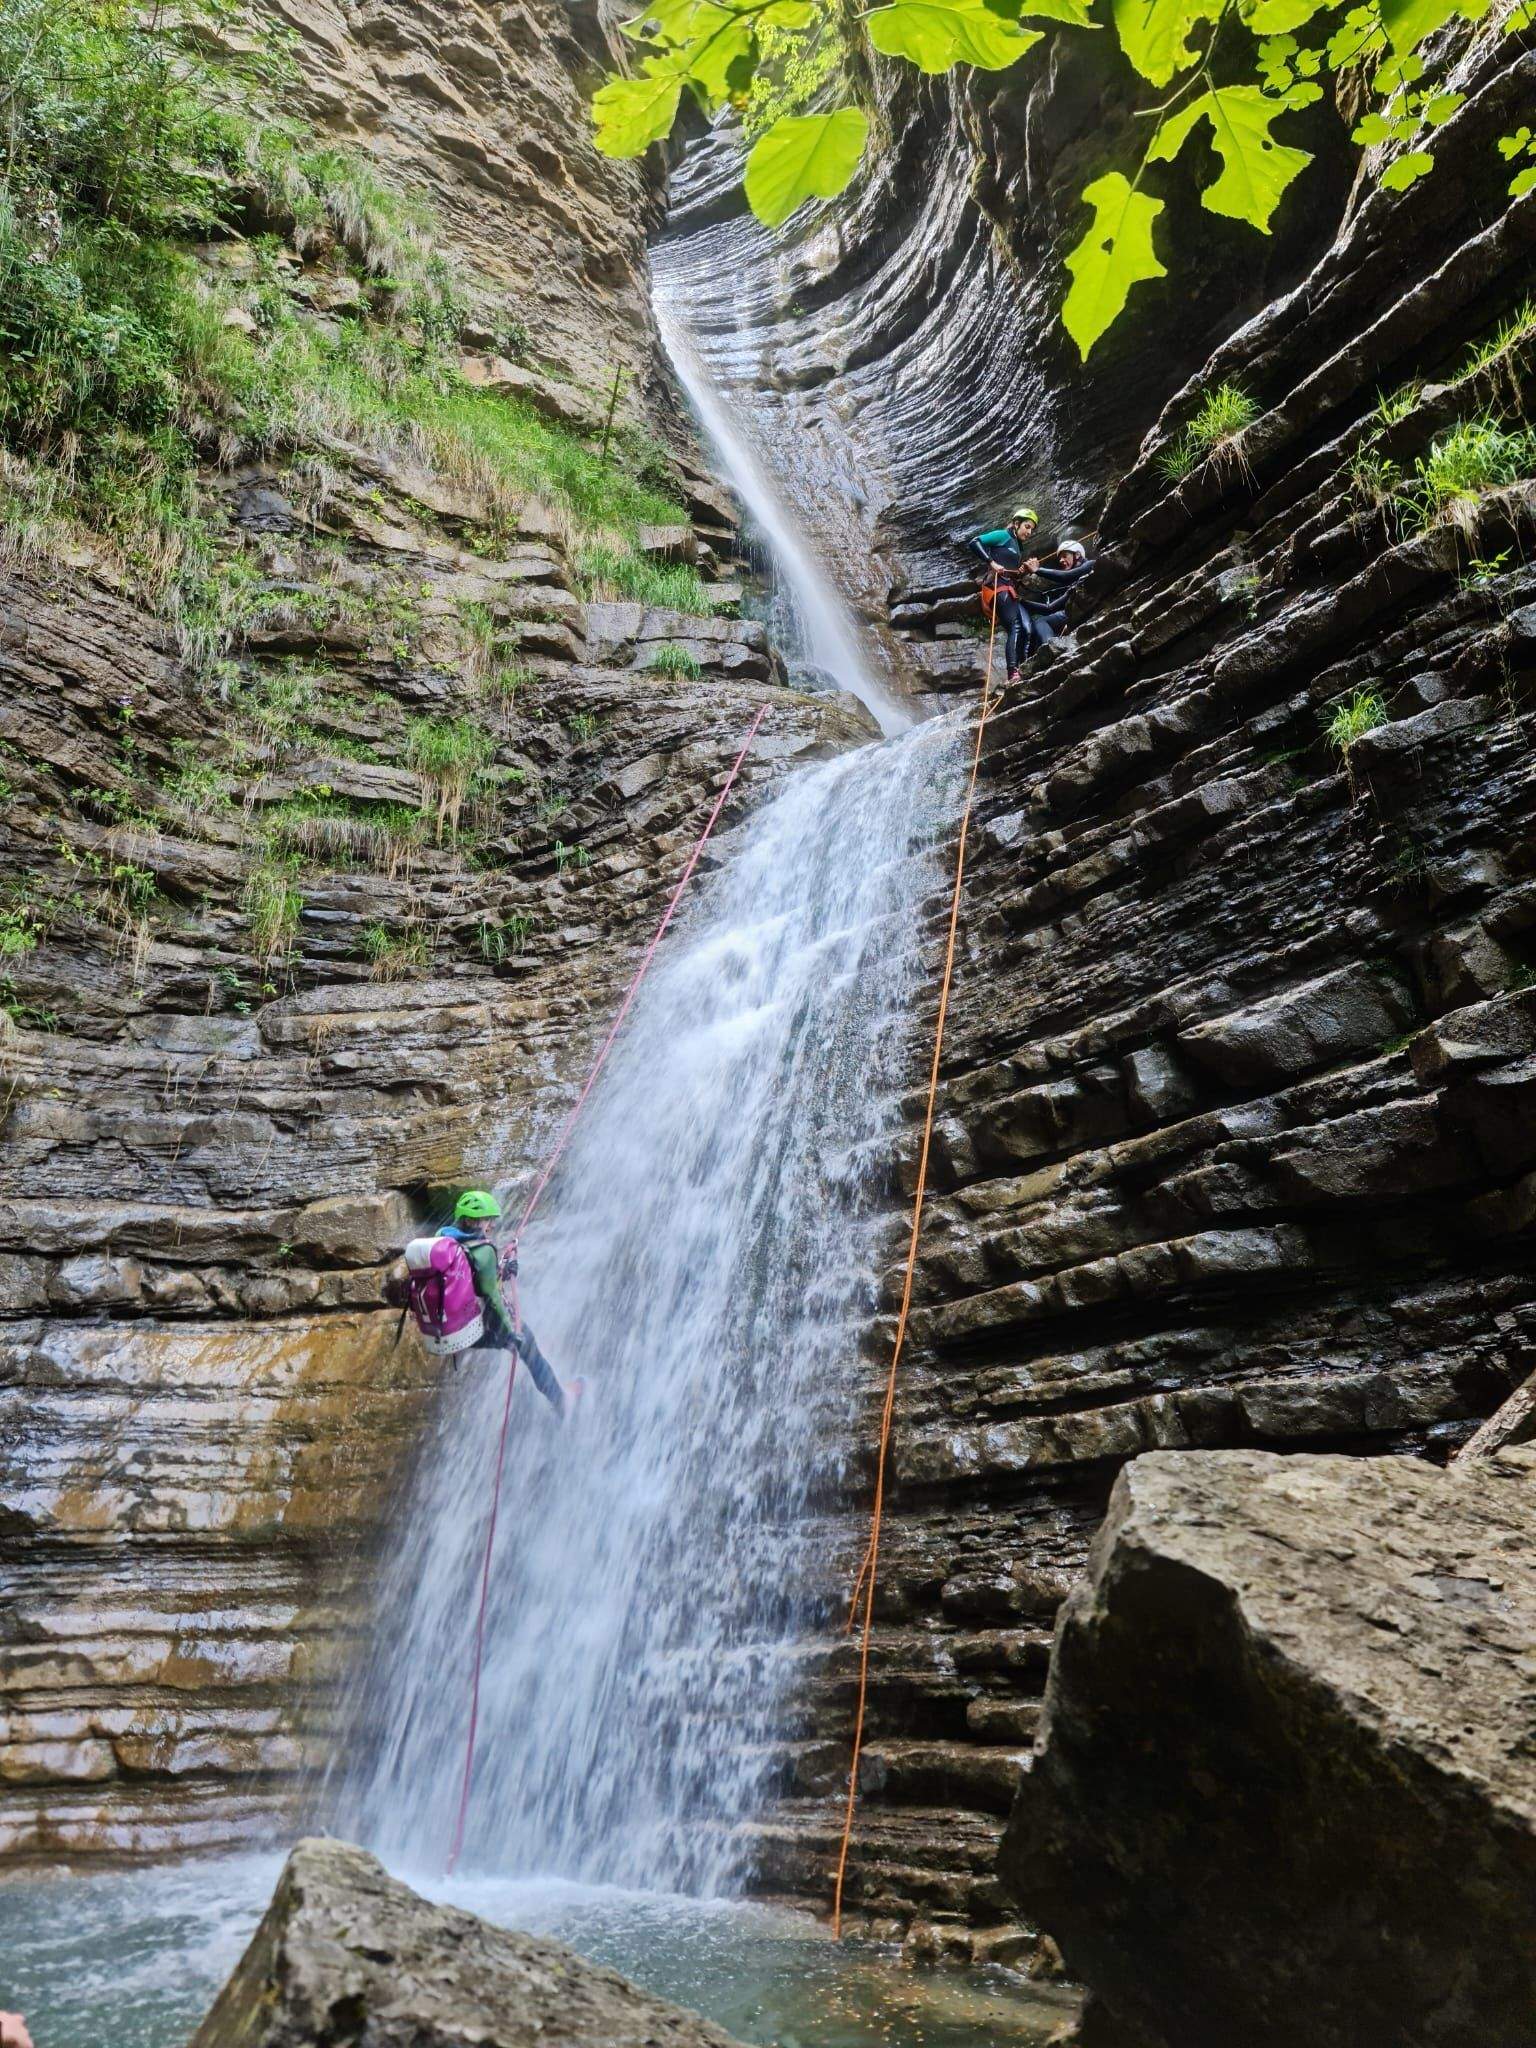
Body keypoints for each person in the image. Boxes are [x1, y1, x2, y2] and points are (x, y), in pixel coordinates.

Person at [439, 1190, 581, 1419]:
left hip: (445, 1331)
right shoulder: (482, 1250)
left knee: (528, 1344)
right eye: (488, 1220)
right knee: (528, 1346)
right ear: (472, 1220)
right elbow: (492, 1296)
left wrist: (502, 1270)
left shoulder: (444, 1242)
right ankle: (562, 1402)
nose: (491, 1226)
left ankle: (550, 1370)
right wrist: (512, 1331)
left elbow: (472, 1282)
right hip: (474, 1330)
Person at [970, 507, 1039, 682]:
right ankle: (1012, 673)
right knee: (1015, 627)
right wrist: (991, 562)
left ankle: (1021, 666)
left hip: (1008, 589)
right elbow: (975, 542)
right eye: (1027, 526)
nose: (1029, 531)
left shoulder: (1017, 546)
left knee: (1025, 627)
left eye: (1031, 528)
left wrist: (1023, 571)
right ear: (1016, 523)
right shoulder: (1003, 536)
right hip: (998, 589)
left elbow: (1011, 574)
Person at [1019, 539, 1093, 659]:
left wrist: (1038, 570)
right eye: (1060, 558)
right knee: (1039, 623)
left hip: (1083, 611)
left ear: (1077, 555)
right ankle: (1039, 657)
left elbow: (1066, 576)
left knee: (1041, 622)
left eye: (1065, 556)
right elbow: (1050, 608)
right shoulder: (1074, 585)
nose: (1061, 560)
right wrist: (1020, 601)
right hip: (1075, 613)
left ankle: (1051, 652)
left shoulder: (1091, 564)